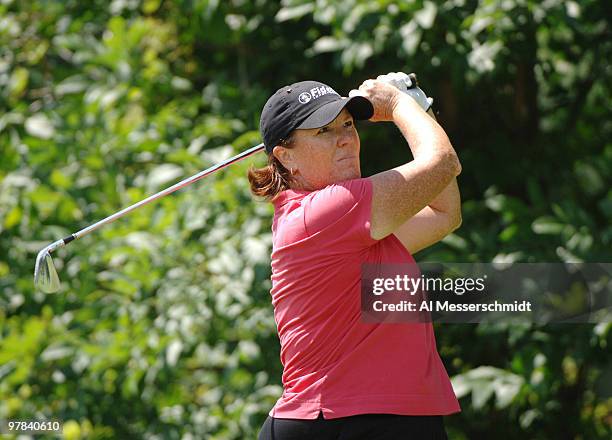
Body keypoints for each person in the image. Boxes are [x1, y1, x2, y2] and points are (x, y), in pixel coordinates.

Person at [249, 74, 462, 440]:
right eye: (324, 131)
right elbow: (442, 163)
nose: (346, 138)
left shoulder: (355, 227)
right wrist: (398, 105)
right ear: (286, 158)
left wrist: (421, 108)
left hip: (386, 417)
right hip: (338, 420)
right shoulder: (325, 212)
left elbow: (445, 212)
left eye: (348, 124)